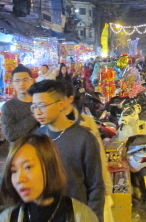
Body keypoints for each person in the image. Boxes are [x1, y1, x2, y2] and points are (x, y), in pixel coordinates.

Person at [28, 80, 105, 222]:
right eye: (34, 106)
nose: (37, 112)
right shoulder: (37, 137)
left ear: (61, 104)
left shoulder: (84, 139)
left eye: (42, 106)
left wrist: (94, 218)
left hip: (76, 215)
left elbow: (96, 186)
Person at [0, 134, 98, 222]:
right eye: (14, 171)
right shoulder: (7, 218)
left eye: (28, 167)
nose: (19, 179)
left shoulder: (80, 215)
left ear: (49, 167)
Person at [68, 88, 114, 222]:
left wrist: (106, 189)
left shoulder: (86, 123)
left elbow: (99, 160)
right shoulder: (45, 131)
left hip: (87, 196)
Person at [0, 65, 39, 146]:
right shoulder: (8, 107)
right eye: (17, 81)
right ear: (12, 84)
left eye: (25, 79)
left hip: (43, 150)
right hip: (20, 152)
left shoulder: (41, 102)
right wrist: (34, 117)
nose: (21, 83)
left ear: (32, 81)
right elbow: (11, 135)